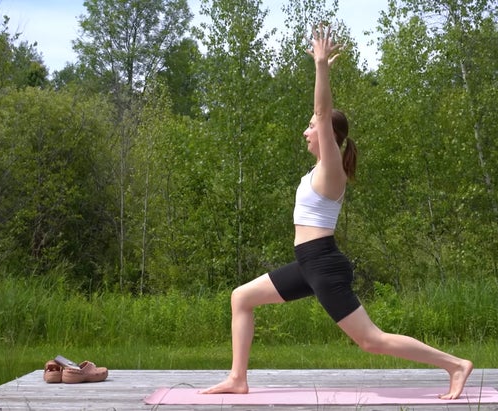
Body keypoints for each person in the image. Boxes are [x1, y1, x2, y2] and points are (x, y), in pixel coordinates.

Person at [202, 23, 473, 400]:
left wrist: (322, 65)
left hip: (323, 265)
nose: (306, 131)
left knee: (371, 341)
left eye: (311, 127)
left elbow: (322, 109)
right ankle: (237, 378)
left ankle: (456, 365)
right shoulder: (316, 171)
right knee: (241, 297)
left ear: (328, 134)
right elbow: (319, 118)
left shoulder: (331, 169)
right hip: (307, 264)